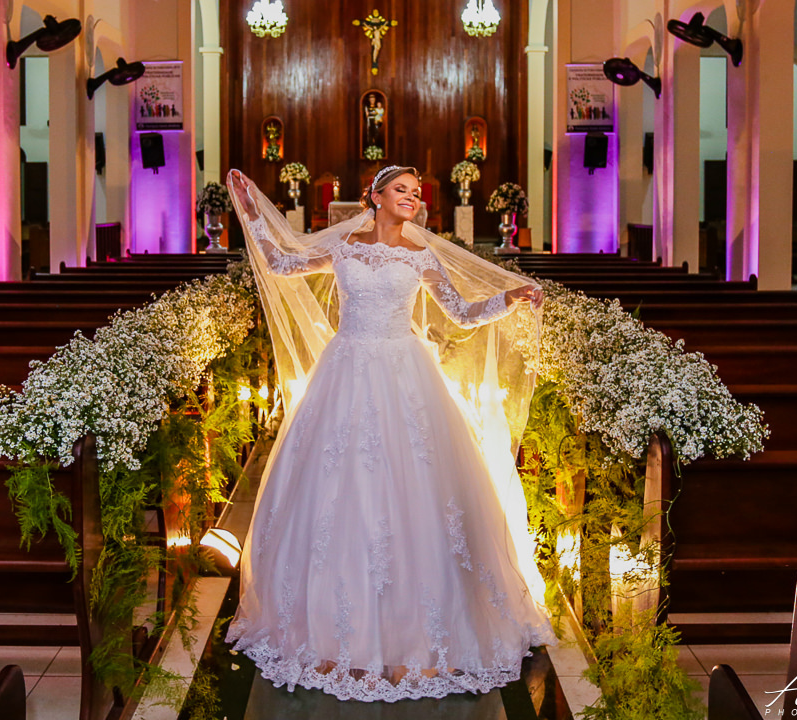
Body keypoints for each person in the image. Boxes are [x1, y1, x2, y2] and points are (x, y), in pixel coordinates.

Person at [225, 166, 556, 703]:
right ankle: (328, 631)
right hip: (347, 371)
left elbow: (461, 313)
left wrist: (509, 297)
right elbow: (283, 263)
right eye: (401, 190)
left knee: (414, 491)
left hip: (405, 373)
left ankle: (418, 635)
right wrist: (251, 211)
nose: (412, 198)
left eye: (416, 192)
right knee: (338, 489)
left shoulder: (421, 255)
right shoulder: (344, 246)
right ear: (375, 197)